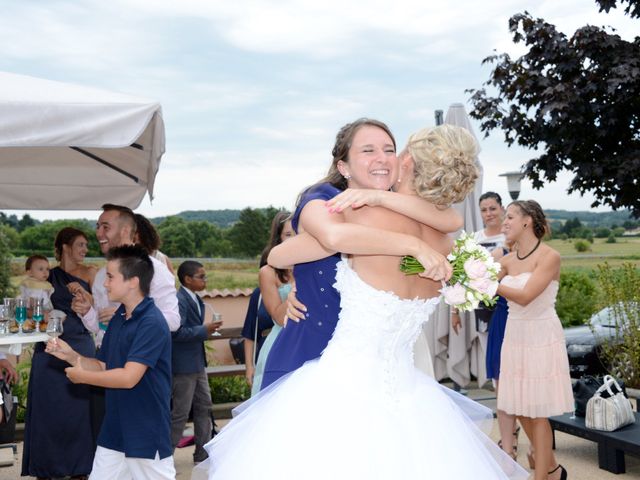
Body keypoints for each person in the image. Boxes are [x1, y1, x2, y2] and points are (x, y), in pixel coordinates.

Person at [198, 124, 527, 480]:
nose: (388, 159)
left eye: (395, 152)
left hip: (342, 388)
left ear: (409, 164)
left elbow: (280, 255)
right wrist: (408, 238)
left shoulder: (358, 215)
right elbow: (448, 219)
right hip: (413, 398)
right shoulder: (448, 243)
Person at [260, 118, 462, 389]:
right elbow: (316, 243)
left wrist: (380, 198)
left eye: (389, 150)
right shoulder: (324, 198)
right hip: (309, 349)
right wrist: (414, 246)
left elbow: (453, 220)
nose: (382, 158)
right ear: (343, 166)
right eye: (368, 151)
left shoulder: (400, 205)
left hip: (380, 361)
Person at [46, 245, 176, 479]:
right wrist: (72, 356)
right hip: (115, 428)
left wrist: (82, 377)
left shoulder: (152, 322)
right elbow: (105, 365)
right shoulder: (120, 317)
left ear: (133, 282)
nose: (105, 284)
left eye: (110, 277)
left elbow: (128, 377)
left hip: (145, 428)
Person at [497, 200, 573, 480]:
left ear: (527, 221)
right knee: (521, 407)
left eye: (510, 217)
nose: (504, 223)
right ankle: (552, 469)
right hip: (515, 335)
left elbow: (527, 296)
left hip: (541, 335)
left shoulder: (549, 257)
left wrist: (490, 284)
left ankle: (541, 477)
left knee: (538, 411)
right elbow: (479, 290)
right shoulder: (505, 261)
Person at [22, 227, 98, 479]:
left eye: (86, 246)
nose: (85, 250)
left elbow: (101, 311)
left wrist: (85, 296)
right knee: (48, 411)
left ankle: (81, 469)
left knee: (79, 413)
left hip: (80, 346)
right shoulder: (46, 275)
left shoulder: (92, 274)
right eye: (80, 245)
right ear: (65, 247)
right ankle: (46, 468)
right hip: (48, 349)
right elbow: (30, 303)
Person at [71, 204, 180, 345]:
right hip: (104, 356)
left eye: (106, 227)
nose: (98, 233)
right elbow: (99, 327)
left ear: (125, 230)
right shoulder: (101, 275)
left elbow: (173, 321)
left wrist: (127, 316)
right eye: (98, 227)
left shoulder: (155, 270)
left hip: (138, 357)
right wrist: (87, 312)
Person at [470, 191, 520, 459]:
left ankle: (511, 433)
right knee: (496, 370)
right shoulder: (476, 239)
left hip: (508, 306)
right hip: (483, 307)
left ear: (501, 209)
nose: (489, 213)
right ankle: (508, 430)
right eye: (484, 210)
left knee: (511, 371)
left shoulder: (510, 239)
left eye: (493, 208)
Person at [171, 260, 223, 463]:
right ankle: (165, 457)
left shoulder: (196, 300)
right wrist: (205, 330)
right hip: (183, 365)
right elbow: (177, 331)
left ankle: (202, 453)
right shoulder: (179, 300)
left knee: (204, 406)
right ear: (187, 279)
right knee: (180, 413)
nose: (205, 280)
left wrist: (206, 330)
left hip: (197, 363)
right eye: (201, 276)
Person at [248, 212, 294, 395]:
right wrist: (299, 280)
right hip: (282, 343)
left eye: (300, 232)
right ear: (279, 238)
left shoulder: (319, 265)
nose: (295, 239)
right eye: (288, 234)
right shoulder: (268, 272)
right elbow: (279, 318)